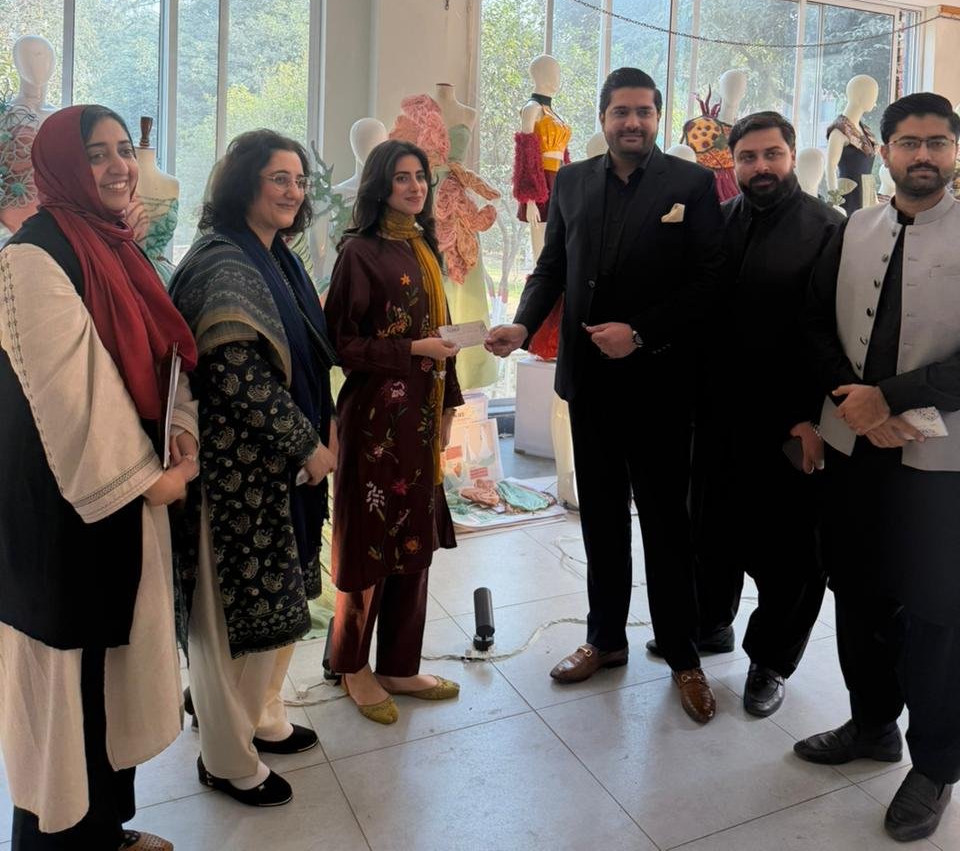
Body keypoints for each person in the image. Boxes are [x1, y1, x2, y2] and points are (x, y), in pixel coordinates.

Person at [487, 67, 725, 723]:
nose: (633, 122)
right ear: (603, 117)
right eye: (622, 111)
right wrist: (522, 325)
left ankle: (682, 655)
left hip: (661, 385)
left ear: (658, 116)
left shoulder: (691, 185)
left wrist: (640, 333)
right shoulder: (571, 181)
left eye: (644, 111)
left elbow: (709, 282)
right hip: (589, 384)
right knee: (600, 520)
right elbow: (552, 268)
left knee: (667, 526)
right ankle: (606, 640)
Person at [0, 104, 200, 850]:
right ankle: (57, 843)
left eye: (123, 150)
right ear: (61, 166)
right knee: (67, 686)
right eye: (96, 153)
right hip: (63, 503)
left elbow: (160, 352)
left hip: (123, 486)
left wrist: (180, 426)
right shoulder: (32, 256)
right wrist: (153, 483)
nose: (118, 166)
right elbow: (72, 392)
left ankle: (107, 830)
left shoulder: (116, 245)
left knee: (111, 676)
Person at [795, 92, 960, 844]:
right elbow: (813, 324)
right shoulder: (854, 226)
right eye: (908, 142)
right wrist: (853, 400)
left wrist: (890, 397)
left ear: (953, 151)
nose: (922, 155)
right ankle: (870, 726)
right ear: (884, 150)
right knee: (858, 591)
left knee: (936, 613)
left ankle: (937, 766)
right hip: (855, 447)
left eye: (937, 142)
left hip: (941, 457)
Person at [169, 130, 337, 808]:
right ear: (244, 184)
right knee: (226, 625)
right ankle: (226, 758)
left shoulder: (276, 256)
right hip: (233, 477)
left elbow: (306, 357)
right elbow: (239, 377)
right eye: (278, 178)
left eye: (299, 179)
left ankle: (263, 717)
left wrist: (316, 437)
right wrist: (307, 444)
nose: (293, 191)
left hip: (277, 472)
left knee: (278, 605)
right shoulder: (222, 263)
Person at [687, 111, 841, 717]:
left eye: (771, 154)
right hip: (718, 412)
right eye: (747, 157)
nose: (761, 167)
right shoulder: (719, 221)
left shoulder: (828, 229)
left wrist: (809, 418)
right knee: (712, 532)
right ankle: (711, 625)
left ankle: (771, 661)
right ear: (733, 162)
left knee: (791, 554)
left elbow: (830, 335)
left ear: (792, 155)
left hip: (790, 420)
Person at [324, 139, 462, 724]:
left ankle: (399, 665)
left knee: (414, 541)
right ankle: (351, 665)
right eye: (402, 177)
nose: (414, 187)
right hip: (376, 422)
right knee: (369, 544)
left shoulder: (424, 246)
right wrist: (412, 350)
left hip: (421, 422)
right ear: (380, 186)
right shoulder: (359, 252)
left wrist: (450, 404)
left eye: (420, 176)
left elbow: (443, 335)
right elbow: (340, 343)